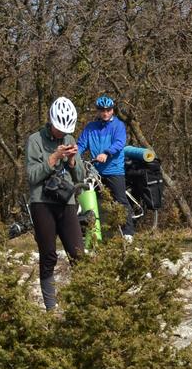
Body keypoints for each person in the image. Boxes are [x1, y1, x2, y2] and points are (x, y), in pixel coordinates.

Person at [25, 96, 86, 311]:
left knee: (78, 253)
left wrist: (71, 160)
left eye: (65, 130)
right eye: (59, 129)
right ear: (51, 122)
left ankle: (84, 305)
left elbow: (80, 176)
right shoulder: (35, 140)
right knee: (49, 254)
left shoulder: (70, 139)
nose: (62, 134)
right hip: (42, 202)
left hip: (66, 201)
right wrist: (53, 158)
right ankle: (51, 308)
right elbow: (32, 176)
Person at [77, 95, 133, 241]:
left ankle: (128, 233)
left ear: (112, 110)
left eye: (108, 110)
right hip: (96, 171)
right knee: (96, 203)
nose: (105, 113)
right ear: (98, 111)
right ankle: (101, 234)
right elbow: (81, 144)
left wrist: (107, 153)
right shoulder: (90, 128)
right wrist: (73, 156)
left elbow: (119, 143)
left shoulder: (118, 126)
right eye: (102, 110)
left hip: (114, 170)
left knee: (120, 201)